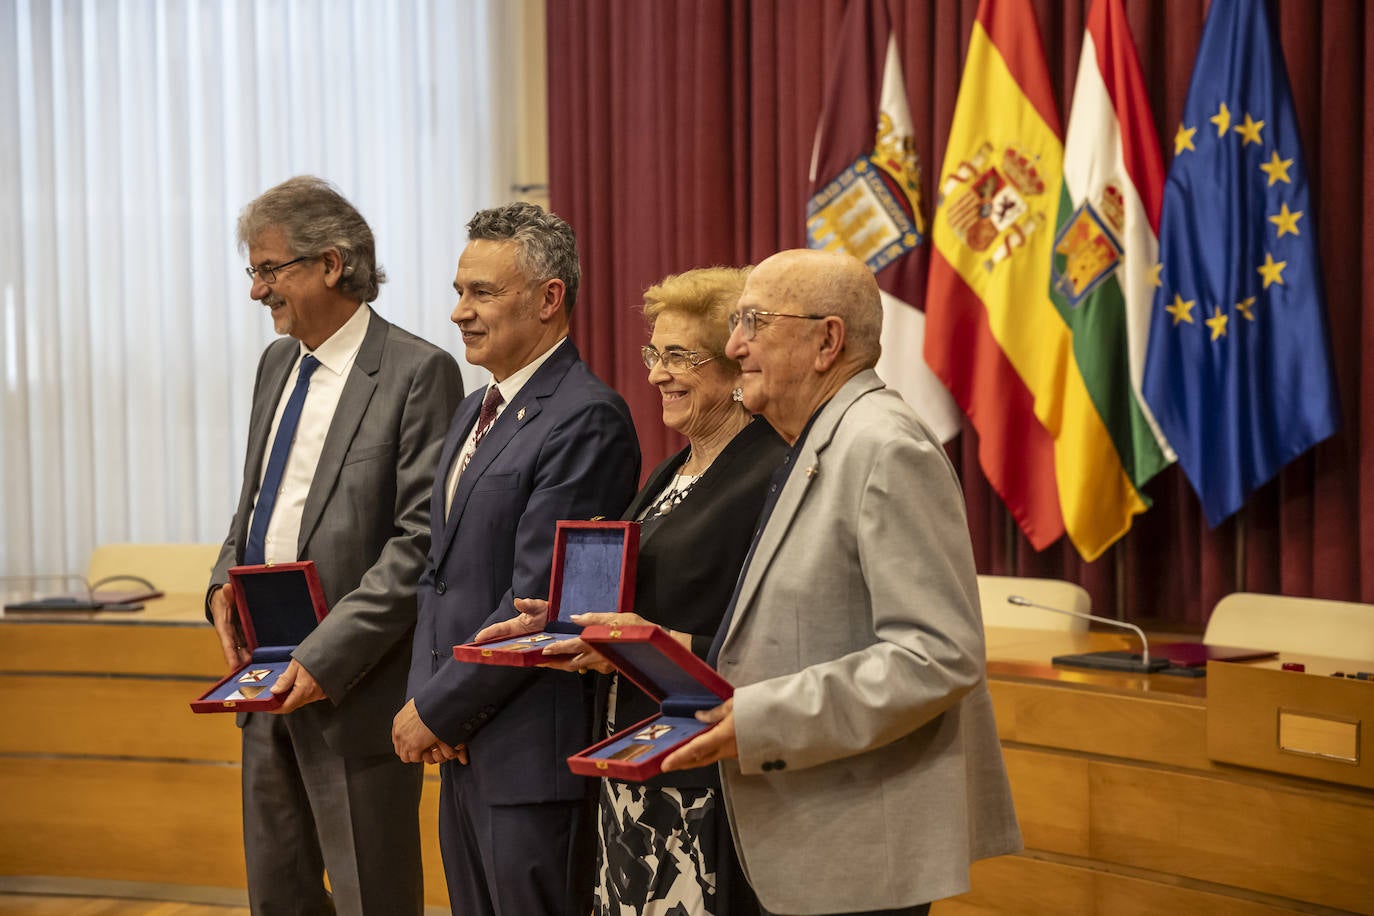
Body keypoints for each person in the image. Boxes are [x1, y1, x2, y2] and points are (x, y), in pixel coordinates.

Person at [659, 248, 1022, 916]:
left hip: (855, 853)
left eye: (754, 322)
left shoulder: (885, 447)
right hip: (805, 835)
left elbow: (938, 655)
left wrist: (763, 716)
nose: (734, 345)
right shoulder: (820, 439)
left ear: (827, 340)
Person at [476, 267, 786, 916]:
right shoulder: (676, 467)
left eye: (679, 357)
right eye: (655, 354)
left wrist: (629, 640)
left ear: (734, 368)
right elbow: (636, 598)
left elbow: (767, 632)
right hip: (636, 754)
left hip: (704, 766)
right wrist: (561, 619)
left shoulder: (769, 474)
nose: (655, 375)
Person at [206, 175, 464, 916]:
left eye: (268, 269)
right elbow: (255, 503)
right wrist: (223, 582)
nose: (257, 291)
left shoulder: (418, 373)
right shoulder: (274, 366)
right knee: (278, 895)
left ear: (329, 263)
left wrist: (323, 659)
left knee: (369, 896)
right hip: (264, 685)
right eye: (251, 271)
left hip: (355, 690)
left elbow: (419, 542)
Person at [392, 202, 641, 916]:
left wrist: (438, 712)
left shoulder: (587, 417)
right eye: (458, 292)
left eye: (481, 293)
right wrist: (426, 703)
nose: (459, 313)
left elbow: (540, 600)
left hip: (532, 757)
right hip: (463, 743)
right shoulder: (474, 412)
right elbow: (437, 580)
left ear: (548, 298)